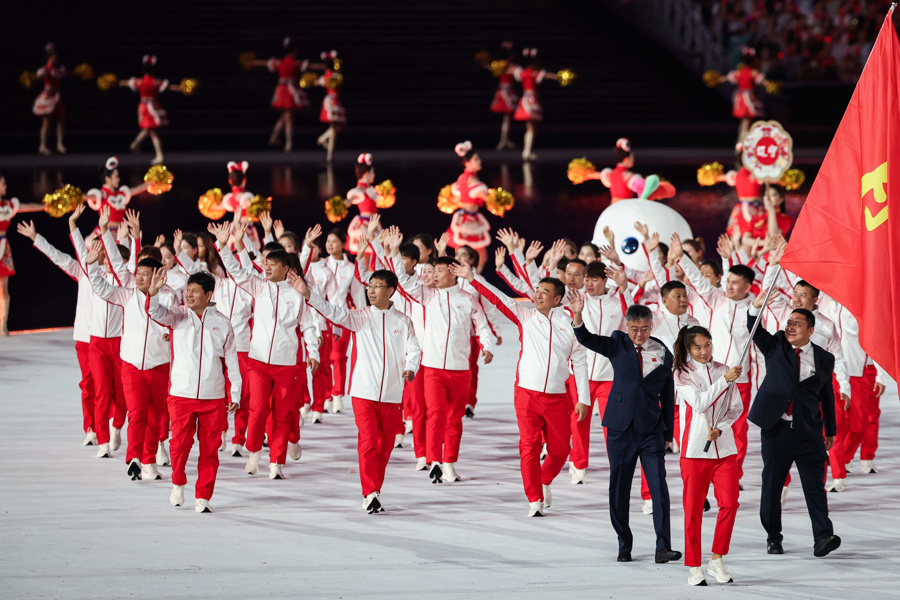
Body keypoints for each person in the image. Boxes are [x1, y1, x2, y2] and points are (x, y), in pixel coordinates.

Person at [451, 261, 590, 517]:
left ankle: (544, 480)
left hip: (557, 398)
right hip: (527, 394)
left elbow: (580, 362)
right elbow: (498, 298)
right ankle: (534, 499)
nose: (538, 295)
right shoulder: (526, 316)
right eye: (537, 291)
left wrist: (583, 398)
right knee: (529, 447)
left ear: (557, 299)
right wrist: (472, 278)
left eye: (545, 292)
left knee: (560, 451)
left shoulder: (570, 325)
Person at [289, 268, 420, 514]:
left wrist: (411, 368)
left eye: (377, 286)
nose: (371, 291)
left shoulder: (404, 321)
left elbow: (414, 349)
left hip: (392, 394)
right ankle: (370, 493)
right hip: (364, 393)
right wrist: (308, 294)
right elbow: (332, 311)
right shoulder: (361, 317)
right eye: (369, 286)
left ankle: (374, 490)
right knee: (369, 442)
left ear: (391, 291)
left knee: (385, 447)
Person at [570, 301, 681, 564]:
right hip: (620, 429)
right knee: (619, 488)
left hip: (651, 431)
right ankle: (624, 544)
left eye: (644, 329)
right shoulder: (617, 344)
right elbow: (585, 338)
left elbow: (668, 395)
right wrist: (577, 314)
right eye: (634, 329)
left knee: (659, 488)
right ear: (627, 327)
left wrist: (668, 433)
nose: (639, 334)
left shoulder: (663, 352)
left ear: (651, 326)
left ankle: (663, 547)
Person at [212, 221, 319, 480]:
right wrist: (224, 245)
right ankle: (254, 452)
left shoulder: (298, 294)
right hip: (258, 361)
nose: (267, 267)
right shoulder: (259, 286)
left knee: (282, 414)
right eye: (266, 264)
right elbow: (236, 271)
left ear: (286, 268)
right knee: (258, 409)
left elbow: (308, 325)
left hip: (286, 364)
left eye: (272, 264)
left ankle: (276, 463)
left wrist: (313, 352)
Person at [747, 294, 841, 557]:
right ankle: (773, 537)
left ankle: (823, 537)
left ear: (810, 330)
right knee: (772, 486)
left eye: (797, 324)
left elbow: (827, 396)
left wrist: (830, 430)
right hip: (776, 430)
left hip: (809, 432)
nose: (790, 327)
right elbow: (754, 328)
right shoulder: (776, 345)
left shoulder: (824, 358)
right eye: (789, 322)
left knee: (815, 487)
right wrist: (756, 306)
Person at [145, 268, 240, 513]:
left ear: (208, 295)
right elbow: (154, 312)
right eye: (187, 290)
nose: (189, 295)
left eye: (195, 291)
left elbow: (231, 361)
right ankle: (178, 483)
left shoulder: (223, 323)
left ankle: (203, 497)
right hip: (181, 393)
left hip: (213, 396)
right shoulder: (178, 316)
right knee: (179, 445)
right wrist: (153, 292)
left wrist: (235, 393)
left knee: (210, 450)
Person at [393, 255, 494, 483]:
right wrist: (395, 253)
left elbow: (482, 327)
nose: (434, 275)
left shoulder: (468, 299)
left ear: (453, 273)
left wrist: (487, 346)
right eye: (434, 271)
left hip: (460, 369)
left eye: (439, 271)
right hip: (433, 368)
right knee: (435, 414)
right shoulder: (428, 295)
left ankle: (449, 463)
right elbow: (403, 281)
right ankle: (434, 460)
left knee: (454, 418)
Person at [84, 237, 173, 481]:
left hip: (159, 365)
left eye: (145, 274)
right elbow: (102, 288)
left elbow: (174, 319)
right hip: (132, 365)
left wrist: (170, 332)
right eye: (138, 274)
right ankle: (134, 457)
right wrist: (92, 265)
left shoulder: (169, 297)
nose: (140, 278)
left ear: (157, 274)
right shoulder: (128, 296)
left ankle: (149, 461)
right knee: (137, 414)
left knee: (155, 417)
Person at [673, 325, 742, 586]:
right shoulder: (682, 373)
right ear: (688, 349)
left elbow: (735, 408)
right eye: (698, 347)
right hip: (694, 452)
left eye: (707, 345)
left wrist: (721, 428)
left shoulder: (724, 370)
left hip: (724, 451)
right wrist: (724, 381)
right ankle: (694, 566)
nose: (704, 351)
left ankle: (716, 559)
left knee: (730, 504)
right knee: (693, 511)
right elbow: (700, 403)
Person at [17, 218, 95, 441]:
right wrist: (36, 237)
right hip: (85, 337)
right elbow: (57, 256)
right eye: (91, 248)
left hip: (112, 338)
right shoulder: (81, 272)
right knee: (88, 385)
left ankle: (111, 425)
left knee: (111, 387)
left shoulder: (117, 275)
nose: (93, 252)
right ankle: (91, 429)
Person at [565, 260, 631, 485]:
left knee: (611, 424)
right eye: (587, 280)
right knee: (578, 420)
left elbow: (632, 313)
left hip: (609, 376)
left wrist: (624, 286)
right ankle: (578, 464)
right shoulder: (577, 300)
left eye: (594, 279)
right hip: (580, 373)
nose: (589, 284)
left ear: (605, 280)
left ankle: (617, 466)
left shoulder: (617, 301)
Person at [120, 55, 184, 165]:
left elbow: (125, 83)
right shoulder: (155, 82)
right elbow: (170, 87)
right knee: (151, 130)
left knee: (151, 130)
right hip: (152, 107)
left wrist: (114, 83)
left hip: (142, 107)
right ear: (154, 69)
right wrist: (183, 89)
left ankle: (154, 152)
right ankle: (141, 146)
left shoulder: (139, 82)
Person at [0, 176, 44, 335]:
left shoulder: (7, 206)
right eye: (2, 183)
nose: (5, 186)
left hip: (3, 247)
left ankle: (2, 324)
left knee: (3, 289)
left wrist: (45, 207)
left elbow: (26, 206)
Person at [446, 141, 492, 270]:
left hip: (463, 217)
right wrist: (499, 200)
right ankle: (471, 279)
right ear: (467, 162)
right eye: (476, 159)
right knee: (480, 255)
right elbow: (489, 199)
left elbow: (457, 198)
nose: (479, 161)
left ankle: (465, 278)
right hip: (469, 221)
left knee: (463, 253)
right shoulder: (473, 180)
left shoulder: (462, 178)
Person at [511, 48, 559, 161]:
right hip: (532, 100)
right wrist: (558, 77)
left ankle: (527, 151)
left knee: (529, 127)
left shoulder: (522, 73)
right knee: (531, 128)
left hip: (524, 99)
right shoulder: (534, 73)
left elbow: (510, 71)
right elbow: (548, 75)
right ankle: (527, 152)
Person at [84, 157, 150, 237]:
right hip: (106, 231)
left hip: (121, 231)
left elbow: (138, 189)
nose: (118, 179)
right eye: (116, 177)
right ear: (107, 178)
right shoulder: (101, 194)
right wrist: (73, 196)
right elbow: (85, 197)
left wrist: (152, 182)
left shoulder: (121, 193)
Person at [32, 43, 67, 155]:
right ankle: (42, 146)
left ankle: (60, 144)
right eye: (54, 55)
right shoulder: (44, 69)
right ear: (50, 56)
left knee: (61, 120)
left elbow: (66, 74)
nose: (56, 57)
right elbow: (37, 77)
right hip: (47, 97)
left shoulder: (59, 69)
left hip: (56, 97)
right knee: (46, 122)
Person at [316, 51, 345, 163]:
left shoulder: (334, 76)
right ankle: (329, 153)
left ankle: (325, 143)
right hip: (331, 101)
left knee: (336, 129)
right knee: (334, 129)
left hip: (335, 101)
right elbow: (318, 82)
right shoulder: (331, 76)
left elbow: (319, 82)